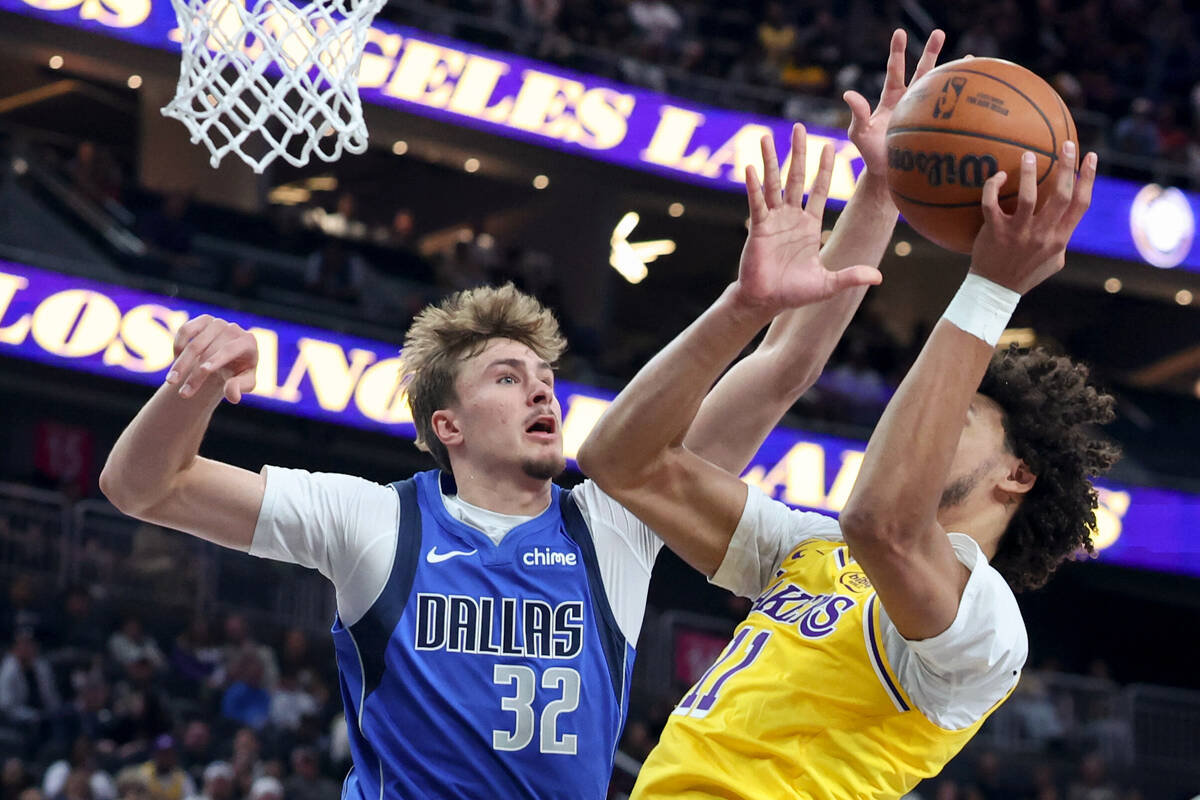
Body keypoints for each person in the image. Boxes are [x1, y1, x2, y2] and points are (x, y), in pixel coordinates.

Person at [98, 30, 929, 800]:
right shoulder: (376, 522)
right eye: (507, 377)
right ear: (446, 427)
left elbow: (785, 367)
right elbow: (145, 487)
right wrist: (193, 382)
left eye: (544, 377)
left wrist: (881, 193)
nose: (542, 391)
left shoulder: (614, 523)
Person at [578, 40, 1114, 800]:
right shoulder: (807, 546)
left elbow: (883, 522)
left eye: (956, 417)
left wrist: (992, 291)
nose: (918, 427)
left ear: (1018, 475)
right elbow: (620, 461)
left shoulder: (986, 625)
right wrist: (873, 200)